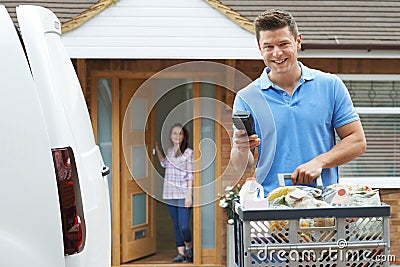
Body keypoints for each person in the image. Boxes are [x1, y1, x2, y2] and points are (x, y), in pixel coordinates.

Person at [230, 9, 366, 195]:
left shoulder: (330, 86)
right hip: (271, 207)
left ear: (298, 41)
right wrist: (241, 148)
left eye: (283, 44)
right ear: (260, 48)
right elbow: (242, 165)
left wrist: (319, 161)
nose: (277, 53)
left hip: (323, 205)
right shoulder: (247, 98)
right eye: (268, 46)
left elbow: (357, 141)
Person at [155, 123, 194, 263]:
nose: (177, 136)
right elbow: (164, 164)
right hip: (169, 194)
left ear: (184, 136)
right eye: (175, 133)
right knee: (176, 225)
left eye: (180, 133)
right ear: (171, 137)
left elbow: (191, 174)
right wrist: (157, 149)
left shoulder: (189, 153)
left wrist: (189, 195)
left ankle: (189, 248)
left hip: (183, 195)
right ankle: (181, 253)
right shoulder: (170, 151)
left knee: (184, 226)